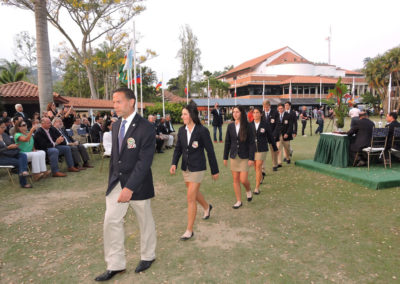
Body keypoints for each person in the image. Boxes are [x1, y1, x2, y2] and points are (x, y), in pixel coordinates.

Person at [95, 88, 157, 281]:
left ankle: (148, 256)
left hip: (138, 184)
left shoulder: (146, 127)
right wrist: (114, 183)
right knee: (111, 221)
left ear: (131, 102)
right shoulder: (115, 126)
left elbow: (144, 161)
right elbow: (116, 157)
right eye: (113, 102)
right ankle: (116, 265)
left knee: (144, 220)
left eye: (118, 101)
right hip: (117, 183)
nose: (115, 106)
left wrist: (129, 188)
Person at [170, 102, 219, 240]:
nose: (182, 116)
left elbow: (210, 151)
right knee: (194, 193)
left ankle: (189, 230)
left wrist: (214, 170)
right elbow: (178, 149)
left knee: (190, 197)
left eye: (184, 114)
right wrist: (174, 163)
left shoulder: (202, 131)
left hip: (198, 168)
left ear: (191, 115)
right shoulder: (181, 130)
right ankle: (207, 207)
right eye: (182, 114)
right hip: (186, 167)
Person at [223, 105, 255, 209]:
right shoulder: (230, 126)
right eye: (233, 112)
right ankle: (238, 201)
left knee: (243, 180)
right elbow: (227, 142)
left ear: (241, 113)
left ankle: (248, 190)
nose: (235, 114)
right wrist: (225, 157)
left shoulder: (248, 126)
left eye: (237, 112)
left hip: (245, 157)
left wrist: (251, 158)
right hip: (233, 156)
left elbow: (251, 143)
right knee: (235, 179)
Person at [251, 107, 277, 194]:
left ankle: (257, 188)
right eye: (254, 112)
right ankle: (261, 177)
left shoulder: (265, 124)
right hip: (252, 149)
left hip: (262, 149)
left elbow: (270, 137)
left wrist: (275, 148)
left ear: (261, 114)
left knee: (258, 166)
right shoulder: (249, 125)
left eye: (257, 112)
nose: (255, 114)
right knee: (255, 167)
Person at [0, 119, 32, 188]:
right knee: (20, 162)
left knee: (23, 155)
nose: (4, 128)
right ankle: (23, 180)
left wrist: (14, 145)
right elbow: (6, 147)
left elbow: (10, 143)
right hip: (2, 157)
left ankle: (22, 172)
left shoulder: (4, 135)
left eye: (4, 127)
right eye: (2, 127)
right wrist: (8, 148)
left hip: (11, 153)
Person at [262, 100, 279, 172]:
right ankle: (263, 169)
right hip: (263, 136)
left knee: (273, 151)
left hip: (272, 136)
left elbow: (277, 124)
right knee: (262, 152)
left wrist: (274, 134)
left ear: (269, 106)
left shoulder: (275, 113)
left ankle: (275, 165)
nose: (266, 108)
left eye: (267, 106)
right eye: (264, 106)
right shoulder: (261, 114)